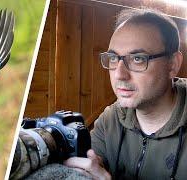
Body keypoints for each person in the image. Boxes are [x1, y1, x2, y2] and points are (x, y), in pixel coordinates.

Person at [64, 8, 187, 179]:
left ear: (172, 64)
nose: (119, 74)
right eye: (114, 58)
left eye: (138, 58)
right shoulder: (110, 120)